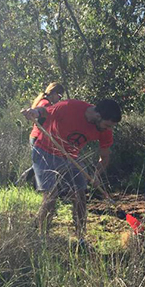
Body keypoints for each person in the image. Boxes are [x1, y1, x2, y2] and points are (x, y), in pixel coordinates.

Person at [21, 99, 121, 241]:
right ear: (98, 116)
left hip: (71, 157)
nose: (108, 129)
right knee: (51, 196)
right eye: (107, 125)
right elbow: (46, 111)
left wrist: (95, 175)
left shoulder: (105, 130)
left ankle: (81, 239)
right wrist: (35, 112)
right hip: (44, 151)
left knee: (80, 196)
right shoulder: (70, 107)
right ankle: (41, 238)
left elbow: (104, 157)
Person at [17, 82, 65, 185]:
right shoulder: (45, 104)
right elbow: (40, 119)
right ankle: (18, 184)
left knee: (39, 165)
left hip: (37, 136)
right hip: (38, 137)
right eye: (59, 96)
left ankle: (25, 185)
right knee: (38, 165)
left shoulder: (44, 101)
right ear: (53, 93)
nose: (59, 99)